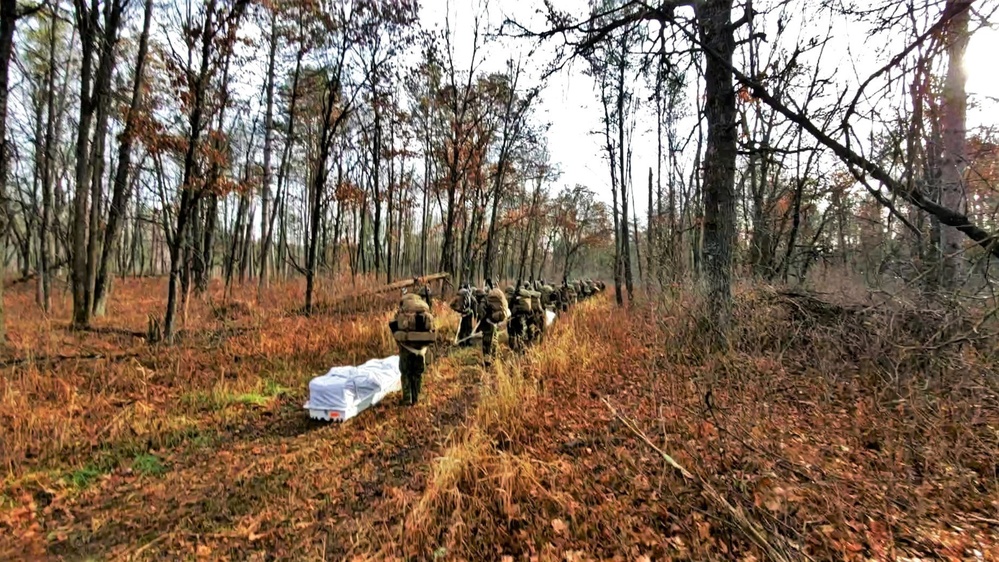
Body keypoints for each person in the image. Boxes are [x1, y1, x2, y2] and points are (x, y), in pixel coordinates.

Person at [389, 293, 435, 405]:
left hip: (406, 347)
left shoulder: (403, 310)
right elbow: (432, 330)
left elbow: (394, 325)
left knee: (406, 373)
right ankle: (416, 397)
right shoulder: (425, 310)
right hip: (421, 348)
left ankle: (407, 400)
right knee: (417, 373)